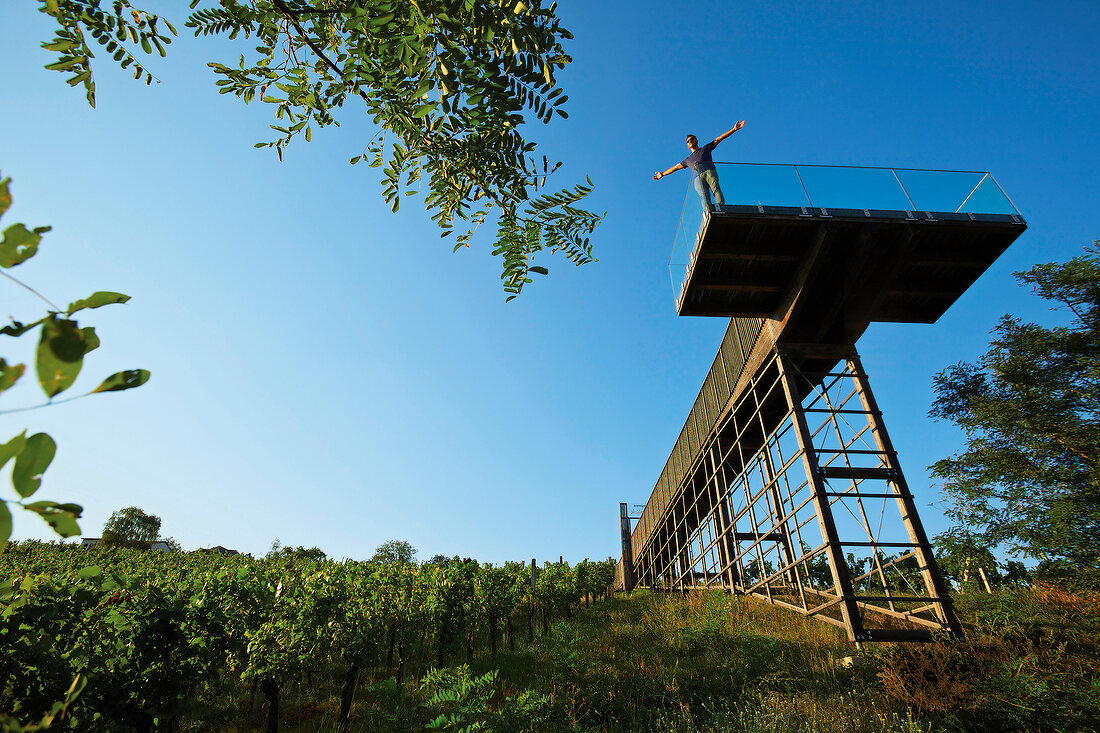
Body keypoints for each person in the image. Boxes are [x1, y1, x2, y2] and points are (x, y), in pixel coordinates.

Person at [653, 120, 746, 211]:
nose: (690, 141)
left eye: (692, 139)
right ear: (687, 145)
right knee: (704, 196)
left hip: (709, 171)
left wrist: (734, 129)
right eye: (688, 141)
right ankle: (707, 212)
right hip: (697, 178)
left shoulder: (705, 149)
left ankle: (721, 208)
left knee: (716, 189)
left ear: (696, 140)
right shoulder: (687, 160)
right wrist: (663, 174)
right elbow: (675, 168)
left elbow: (719, 138)